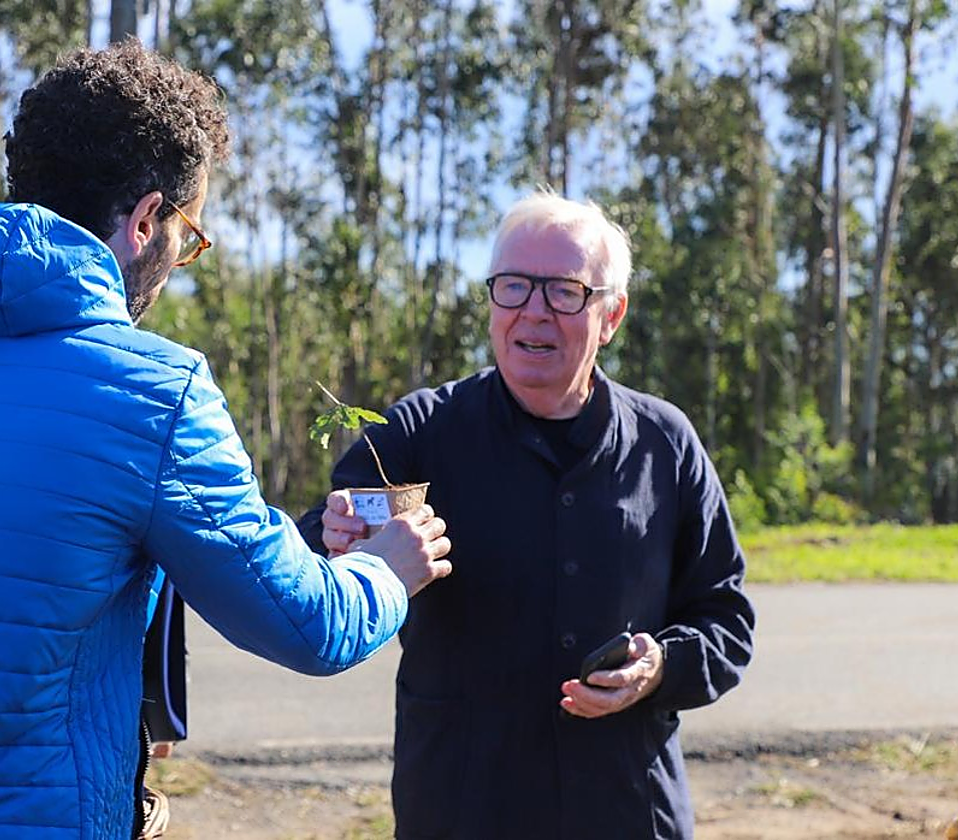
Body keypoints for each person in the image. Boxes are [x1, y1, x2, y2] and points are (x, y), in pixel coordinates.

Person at [0, 41, 450, 839]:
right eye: (190, 234)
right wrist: (385, 570)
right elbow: (305, 624)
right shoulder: (149, 390)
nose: (179, 263)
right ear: (145, 219)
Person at [300, 191, 755, 840]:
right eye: (512, 287)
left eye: (564, 290)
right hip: (462, 809)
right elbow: (317, 545)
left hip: (627, 809)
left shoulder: (666, 444)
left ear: (611, 315)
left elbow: (726, 618)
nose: (532, 312)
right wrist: (331, 535)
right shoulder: (420, 432)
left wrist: (661, 666)